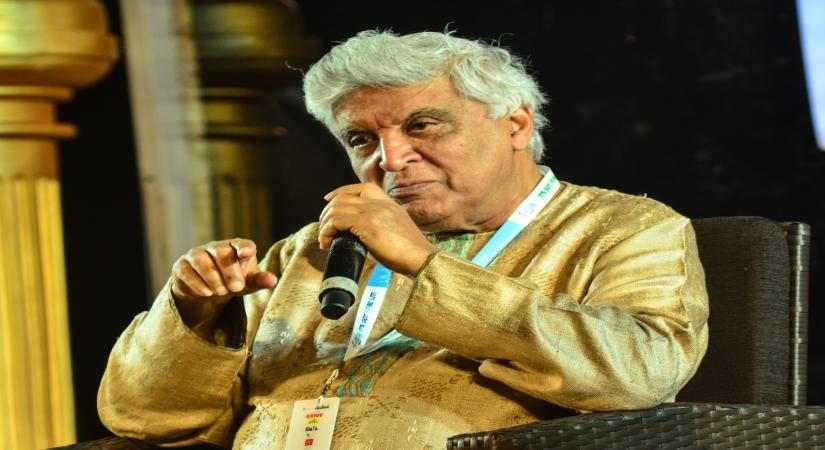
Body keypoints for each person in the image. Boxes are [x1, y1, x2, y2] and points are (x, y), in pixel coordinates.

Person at [98, 30, 709, 449]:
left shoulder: (624, 228)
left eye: (423, 125)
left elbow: (638, 371)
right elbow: (144, 420)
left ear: (516, 123)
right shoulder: (308, 252)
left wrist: (423, 266)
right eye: (362, 140)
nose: (390, 159)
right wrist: (197, 318)